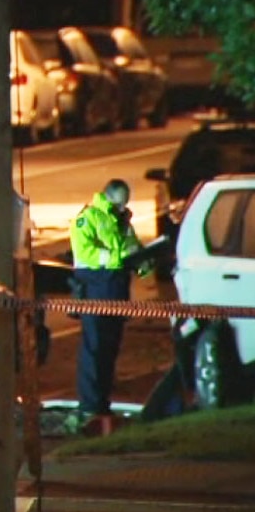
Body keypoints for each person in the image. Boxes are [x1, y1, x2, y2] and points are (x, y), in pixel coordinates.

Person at [66, 178, 152, 433]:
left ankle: (102, 404)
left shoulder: (123, 221)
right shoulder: (88, 218)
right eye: (119, 204)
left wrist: (143, 263)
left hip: (116, 288)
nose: (123, 209)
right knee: (95, 348)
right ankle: (91, 406)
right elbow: (85, 253)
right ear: (108, 198)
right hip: (95, 288)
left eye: (125, 205)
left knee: (109, 349)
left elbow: (131, 247)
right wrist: (119, 258)